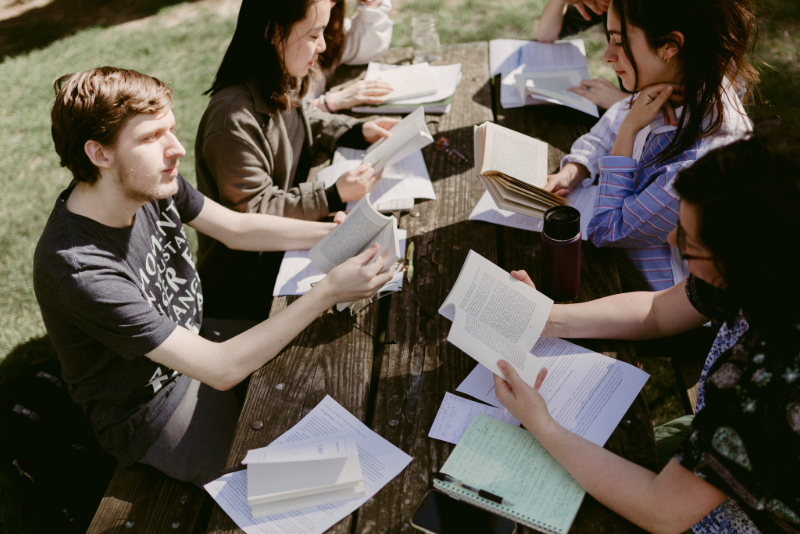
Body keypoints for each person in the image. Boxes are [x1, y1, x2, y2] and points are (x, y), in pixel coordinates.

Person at [33, 67, 394, 486]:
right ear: (100, 154)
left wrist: (339, 235)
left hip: (199, 344)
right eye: (151, 137)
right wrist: (328, 290)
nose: (177, 149)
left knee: (349, 376)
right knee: (317, 479)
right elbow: (221, 369)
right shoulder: (78, 267)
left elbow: (236, 229)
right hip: (153, 410)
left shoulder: (147, 182)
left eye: (171, 129)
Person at [496, 129, 800, 534]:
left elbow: (664, 510)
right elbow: (659, 310)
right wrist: (548, 318)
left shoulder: (764, 380)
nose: (672, 239)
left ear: (742, 260)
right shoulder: (770, 270)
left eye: (688, 244)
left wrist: (542, 423)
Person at [195, 0, 400, 321]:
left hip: (291, 252)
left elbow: (307, 120)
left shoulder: (280, 73)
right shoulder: (231, 118)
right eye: (314, 35)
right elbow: (252, 212)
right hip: (248, 289)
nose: (321, 47)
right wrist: (332, 195)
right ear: (274, 32)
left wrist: (358, 130)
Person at [544, 0, 757, 292]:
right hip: (617, 263)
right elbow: (611, 124)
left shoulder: (698, 165)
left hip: (644, 294)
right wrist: (575, 167)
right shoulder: (681, 79)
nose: (608, 55)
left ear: (670, 46)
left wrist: (630, 129)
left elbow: (606, 229)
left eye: (619, 41)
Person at [537, 0, 629, 111]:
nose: (606, 57)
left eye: (620, 41)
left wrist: (625, 101)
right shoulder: (608, 5)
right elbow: (546, 34)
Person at [310, 0, 395, 113]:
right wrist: (327, 103)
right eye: (313, 36)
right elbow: (284, 120)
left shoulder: (331, 29)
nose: (322, 46)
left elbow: (368, 45)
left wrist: (370, 3)